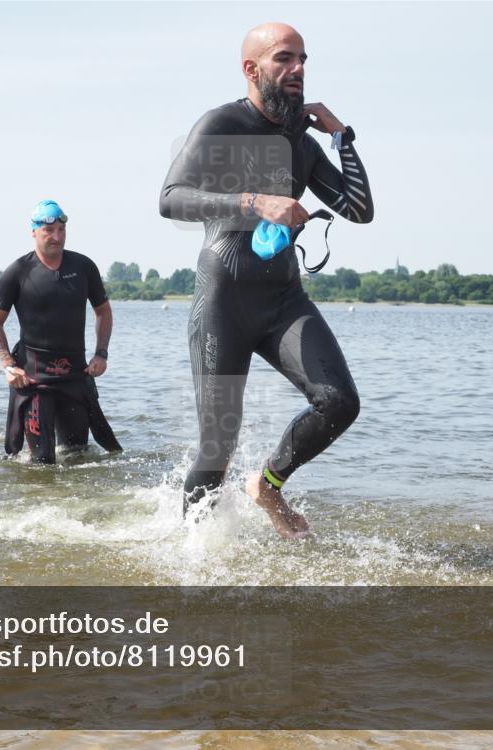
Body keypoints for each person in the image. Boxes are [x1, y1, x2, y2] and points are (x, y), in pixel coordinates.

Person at [158, 22, 375, 538]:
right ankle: (190, 556)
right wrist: (254, 201)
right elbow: (170, 198)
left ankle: (268, 484)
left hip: (283, 300)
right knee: (218, 444)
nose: (298, 69)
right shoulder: (222, 124)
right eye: (285, 59)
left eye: (302, 59)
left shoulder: (302, 140)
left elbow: (359, 210)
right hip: (223, 302)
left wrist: (343, 138)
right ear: (252, 69)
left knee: (340, 403)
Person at [0, 199, 121, 463]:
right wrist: (7, 364)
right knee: (42, 462)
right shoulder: (18, 271)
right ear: (34, 231)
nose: (57, 237)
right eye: (49, 231)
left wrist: (101, 354)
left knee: (77, 456)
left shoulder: (83, 267)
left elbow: (103, 311)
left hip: (74, 375)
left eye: (61, 230)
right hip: (34, 378)